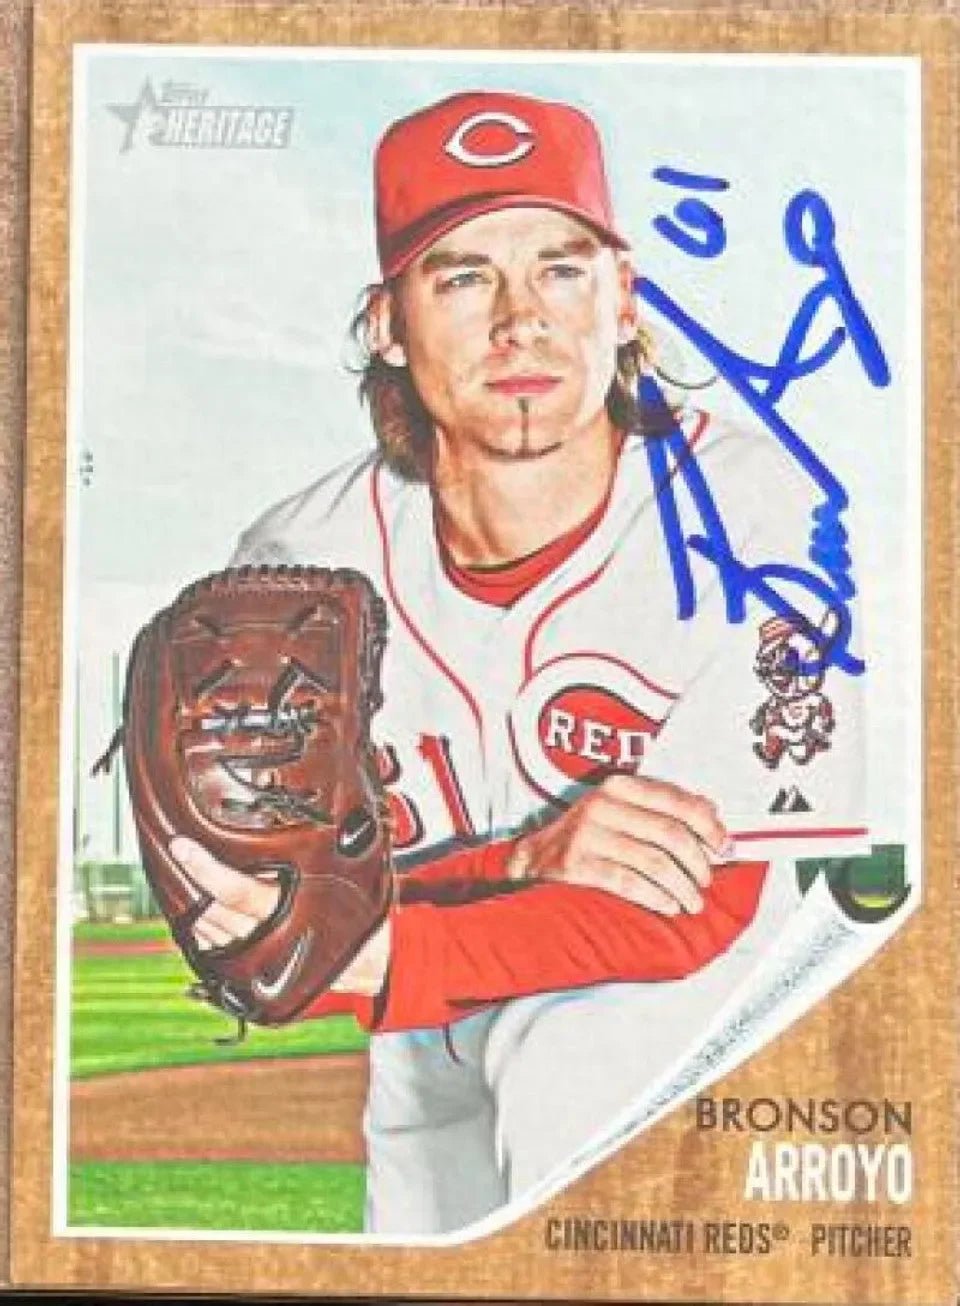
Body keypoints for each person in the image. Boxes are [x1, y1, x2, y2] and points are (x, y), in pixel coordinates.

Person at [169, 90, 865, 1235]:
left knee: (574, 1044)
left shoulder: (757, 515)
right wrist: (524, 860)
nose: (520, 320)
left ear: (624, 297)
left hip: (682, 1019)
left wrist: (372, 936)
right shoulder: (294, 566)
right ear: (387, 323)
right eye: (462, 277)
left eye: (560, 269)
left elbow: (688, 914)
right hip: (422, 1045)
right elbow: (249, 925)